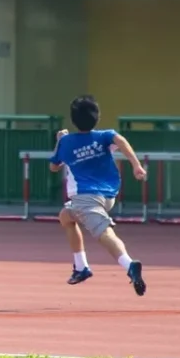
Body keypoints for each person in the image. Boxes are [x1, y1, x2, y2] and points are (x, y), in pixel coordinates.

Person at [49, 95, 147, 296]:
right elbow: (120, 140)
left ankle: (129, 265)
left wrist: (59, 142)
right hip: (108, 195)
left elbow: (53, 166)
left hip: (86, 197)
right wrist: (136, 165)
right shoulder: (103, 136)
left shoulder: (66, 142)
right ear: (97, 117)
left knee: (104, 232)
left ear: (74, 119)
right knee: (66, 216)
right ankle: (81, 267)